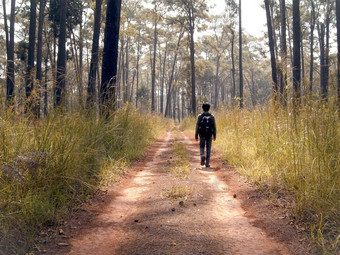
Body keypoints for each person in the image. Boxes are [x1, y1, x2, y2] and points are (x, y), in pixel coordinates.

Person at [195, 103, 216, 167]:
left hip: (202, 134)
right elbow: (214, 127)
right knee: (208, 148)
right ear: (209, 108)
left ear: (202, 108)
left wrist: (196, 135)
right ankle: (207, 163)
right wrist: (214, 135)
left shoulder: (200, 116)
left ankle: (202, 155)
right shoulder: (212, 116)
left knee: (201, 146)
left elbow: (197, 126)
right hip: (209, 134)